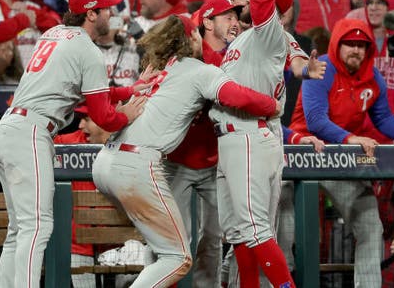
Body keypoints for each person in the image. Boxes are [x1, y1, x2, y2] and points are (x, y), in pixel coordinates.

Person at [93, 15, 279, 287]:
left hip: (107, 162)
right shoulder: (196, 69)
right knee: (176, 258)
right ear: (191, 37)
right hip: (135, 165)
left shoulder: (158, 69)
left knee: (162, 247)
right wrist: (271, 105)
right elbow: (235, 96)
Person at [0, 0, 145, 288]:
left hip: (7, 128)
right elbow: (103, 116)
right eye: (106, 9)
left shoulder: (55, 34)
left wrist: (131, 90)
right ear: (91, 14)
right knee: (37, 225)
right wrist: (128, 113)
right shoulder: (86, 48)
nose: (110, 14)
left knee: (19, 229)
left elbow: (86, 92)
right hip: (30, 132)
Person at [209, 0, 324, 288]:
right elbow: (294, 63)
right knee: (240, 232)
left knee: (256, 229)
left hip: (250, 138)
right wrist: (300, 69)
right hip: (236, 139)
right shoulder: (244, 39)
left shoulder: (266, 31)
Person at [286, 18, 394, 286]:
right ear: (337, 44)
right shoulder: (322, 68)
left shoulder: (372, 75)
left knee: (370, 225)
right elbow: (316, 120)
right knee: (284, 234)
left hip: (340, 158)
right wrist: (350, 138)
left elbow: (383, 117)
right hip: (301, 154)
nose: (356, 50)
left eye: (362, 45)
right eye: (350, 44)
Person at [165, 0, 241, 287]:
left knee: (212, 238)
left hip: (214, 162)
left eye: (236, 16)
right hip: (177, 160)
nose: (234, 22)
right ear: (207, 22)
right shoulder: (191, 55)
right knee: (176, 242)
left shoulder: (236, 58)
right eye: (227, 16)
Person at [53, 105, 113, 288]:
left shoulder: (128, 143)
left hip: (122, 246)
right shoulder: (68, 143)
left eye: (87, 119)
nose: (80, 125)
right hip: (80, 247)